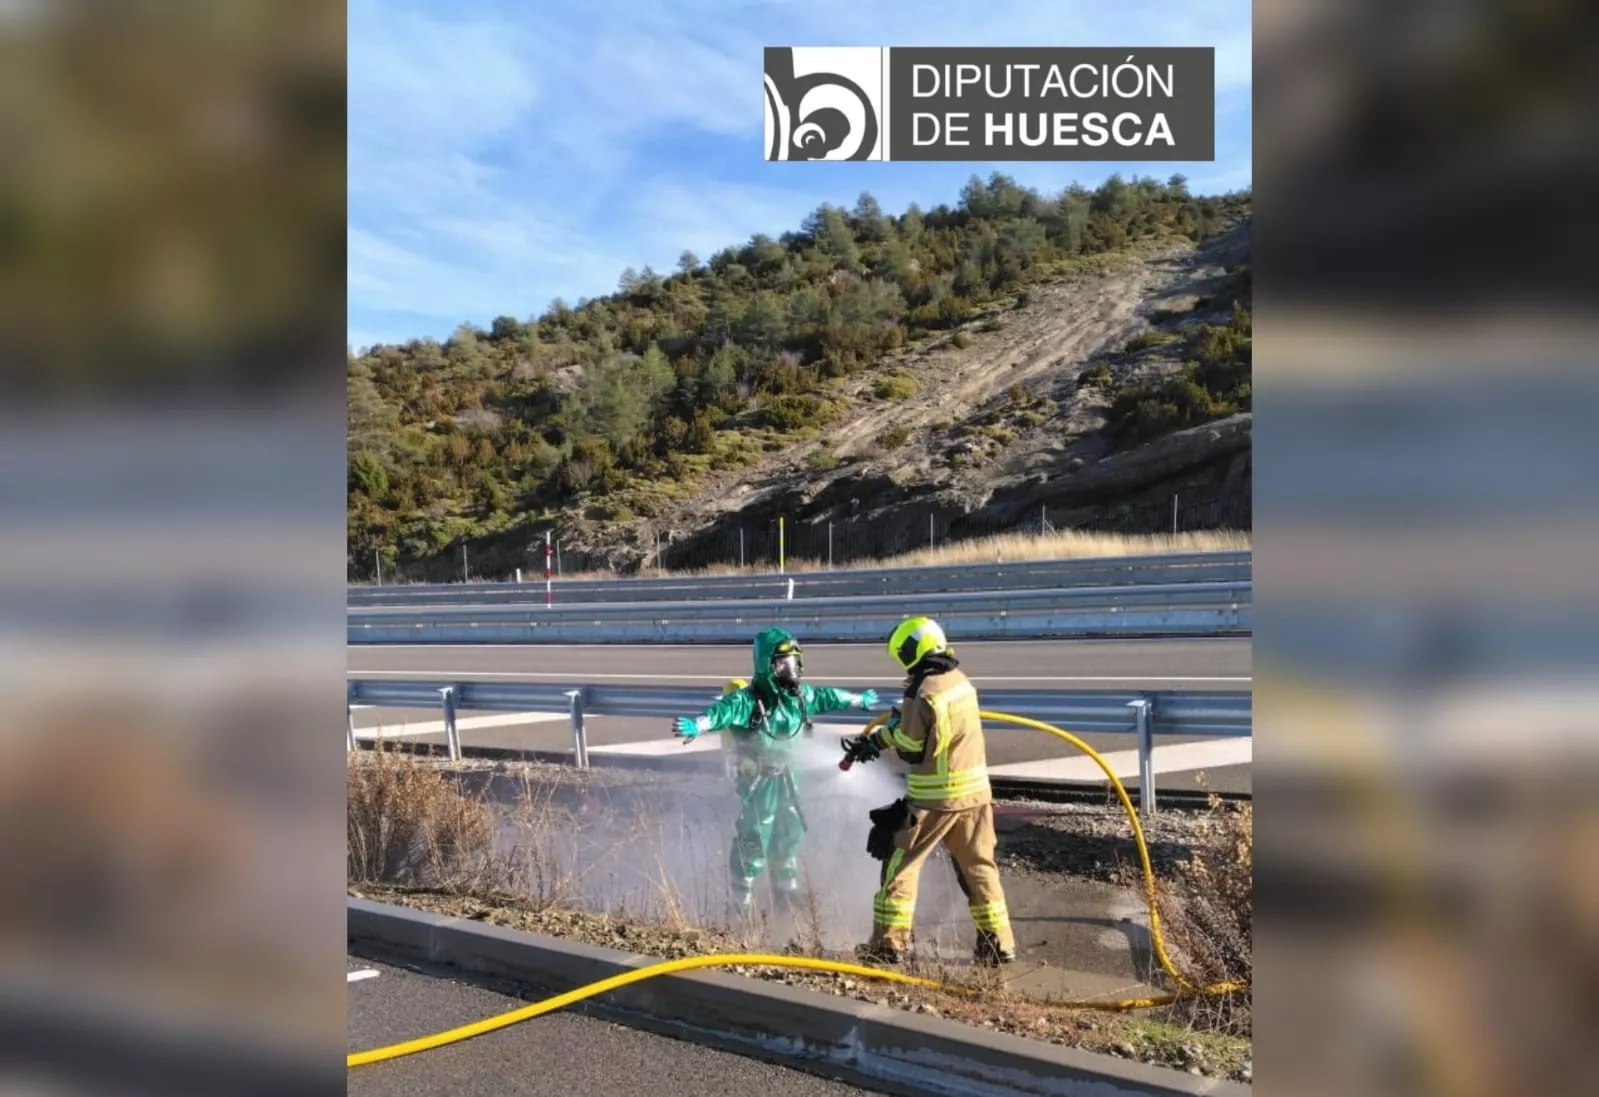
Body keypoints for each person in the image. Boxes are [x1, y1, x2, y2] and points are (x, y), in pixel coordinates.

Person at [671, 627, 878, 916]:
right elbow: (722, 713)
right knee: (754, 837)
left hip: (790, 777)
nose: (791, 670)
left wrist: (858, 700)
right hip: (760, 780)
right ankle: (740, 901)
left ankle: (785, 891)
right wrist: (698, 725)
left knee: (790, 831)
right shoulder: (748, 701)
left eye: (794, 662)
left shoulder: (800, 698)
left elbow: (829, 697)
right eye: (783, 663)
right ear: (766, 665)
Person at [847, 615, 1015, 966]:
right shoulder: (960, 682)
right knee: (979, 868)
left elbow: (911, 747)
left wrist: (878, 739)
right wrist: (899, 722)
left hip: (933, 800)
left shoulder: (922, 692)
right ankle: (998, 944)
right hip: (975, 797)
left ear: (911, 652)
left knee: (900, 866)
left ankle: (888, 945)